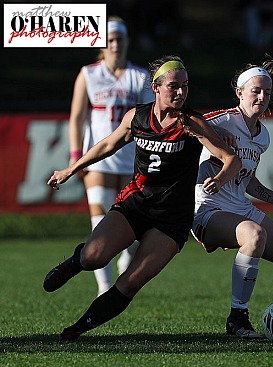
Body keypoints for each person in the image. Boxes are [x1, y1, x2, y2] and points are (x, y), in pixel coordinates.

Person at [43, 55, 241, 342]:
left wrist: (220, 179)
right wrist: (71, 169)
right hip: (135, 204)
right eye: (174, 86)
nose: (181, 92)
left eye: (185, 86)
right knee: (93, 256)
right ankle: (75, 262)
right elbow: (109, 145)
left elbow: (231, 159)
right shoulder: (137, 116)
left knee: (130, 281)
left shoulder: (191, 123)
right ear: (156, 88)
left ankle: (78, 328)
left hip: (172, 219)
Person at [193, 58, 273, 339]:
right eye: (255, 91)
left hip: (240, 208)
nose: (261, 97)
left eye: (267, 93)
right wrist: (215, 133)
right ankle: (237, 319)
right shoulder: (223, 120)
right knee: (254, 235)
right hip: (207, 209)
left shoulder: (263, 136)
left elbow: (246, 178)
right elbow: (186, 122)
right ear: (239, 92)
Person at [68, 16, 155, 297]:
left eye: (119, 39)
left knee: (134, 223)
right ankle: (104, 286)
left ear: (127, 42)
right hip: (99, 158)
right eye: (110, 40)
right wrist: (76, 156)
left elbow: (151, 117)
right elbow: (77, 117)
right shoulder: (89, 74)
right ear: (102, 45)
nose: (115, 45)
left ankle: (126, 260)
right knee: (99, 224)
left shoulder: (140, 76)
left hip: (133, 158)